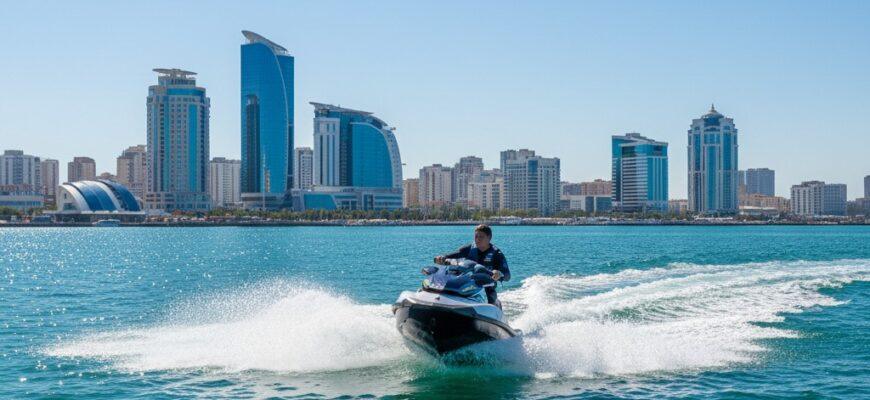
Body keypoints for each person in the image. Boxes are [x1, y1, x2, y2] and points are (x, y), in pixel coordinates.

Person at [434, 224, 510, 306]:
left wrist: (499, 273)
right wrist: (442, 258)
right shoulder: (470, 248)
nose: (477, 239)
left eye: (481, 237)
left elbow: (507, 275)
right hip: (468, 282)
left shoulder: (497, 253)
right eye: (476, 236)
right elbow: (456, 254)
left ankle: (494, 307)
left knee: (490, 293)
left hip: (486, 285)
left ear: (489, 238)